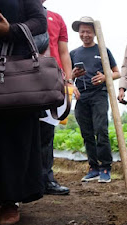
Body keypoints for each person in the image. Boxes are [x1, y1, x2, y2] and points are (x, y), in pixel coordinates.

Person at [0, 1, 47, 224]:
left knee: (15, 136)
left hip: (15, 75)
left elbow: (40, 22)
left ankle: (10, 200)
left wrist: (10, 30)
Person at [70, 16, 120, 183]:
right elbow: (67, 77)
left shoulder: (103, 51)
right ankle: (93, 168)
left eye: (88, 32)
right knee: (87, 133)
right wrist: (72, 77)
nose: (85, 34)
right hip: (81, 96)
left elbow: (117, 72)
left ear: (95, 33)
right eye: (82, 31)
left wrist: (105, 77)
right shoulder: (74, 53)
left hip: (98, 95)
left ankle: (106, 167)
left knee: (101, 130)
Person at [39, 0, 80, 195]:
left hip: (51, 82)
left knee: (47, 133)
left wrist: (68, 80)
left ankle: (46, 179)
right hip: (21, 81)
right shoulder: (16, 15)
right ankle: (24, 183)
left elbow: (63, 52)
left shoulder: (56, 19)